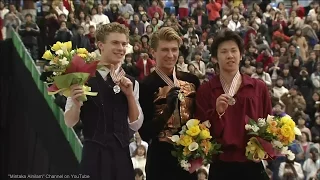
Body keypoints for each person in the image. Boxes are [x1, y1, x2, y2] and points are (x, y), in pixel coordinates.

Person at [64, 22, 144, 180]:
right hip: (93, 156)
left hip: (122, 157)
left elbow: (135, 124)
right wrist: (77, 105)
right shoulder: (81, 77)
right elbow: (69, 121)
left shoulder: (131, 82)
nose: (121, 48)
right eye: (115, 43)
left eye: (124, 44)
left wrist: (129, 96)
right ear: (100, 45)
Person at [195, 30, 272, 180]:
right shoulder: (206, 90)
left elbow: (269, 124)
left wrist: (264, 149)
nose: (230, 55)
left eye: (233, 51)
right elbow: (199, 130)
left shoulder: (258, 87)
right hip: (221, 165)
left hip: (252, 163)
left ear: (241, 55)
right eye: (224, 51)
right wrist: (217, 113)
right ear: (215, 58)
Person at [139, 27, 200, 180]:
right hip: (160, 159)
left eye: (174, 49)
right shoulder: (145, 85)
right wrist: (167, 112)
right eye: (165, 50)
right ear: (153, 52)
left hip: (189, 156)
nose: (171, 55)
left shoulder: (192, 81)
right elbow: (144, 133)